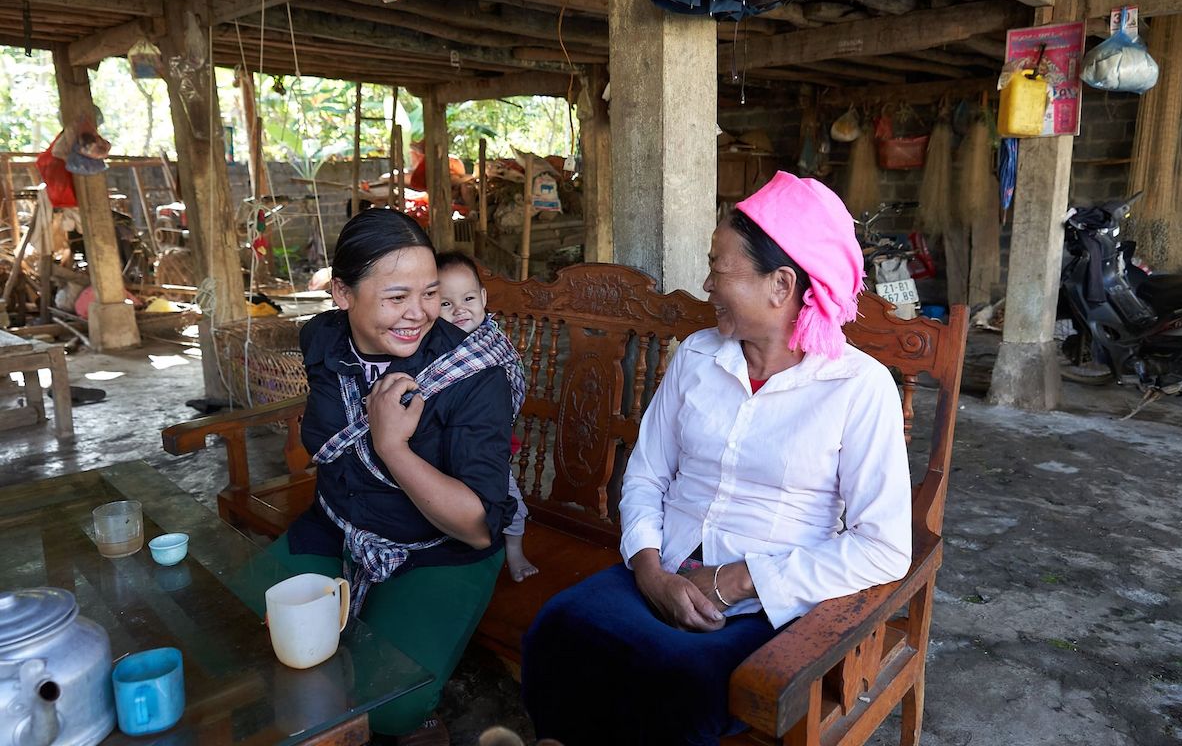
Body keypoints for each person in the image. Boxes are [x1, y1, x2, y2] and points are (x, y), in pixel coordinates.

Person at [521, 172, 913, 745]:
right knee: (558, 630)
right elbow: (647, 474)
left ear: (781, 284)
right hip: (665, 569)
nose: (705, 285)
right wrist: (650, 569)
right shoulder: (698, 357)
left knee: (678, 687)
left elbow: (882, 547)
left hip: (768, 604)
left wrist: (739, 580)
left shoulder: (858, 387)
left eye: (718, 269)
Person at [266, 208, 521, 745]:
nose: (419, 314)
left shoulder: (473, 377)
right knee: (255, 638)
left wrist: (391, 445)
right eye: (396, 296)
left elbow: (477, 527)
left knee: (387, 707)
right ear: (342, 294)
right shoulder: (321, 340)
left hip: (435, 548)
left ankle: (421, 716)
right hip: (335, 523)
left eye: (430, 293)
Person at [436, 251, 539, 582]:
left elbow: (513, 383)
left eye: (468, 298)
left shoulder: (493, 341)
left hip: (487, 443)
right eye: (445, 303)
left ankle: (515, 553)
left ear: (483, 298)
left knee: (509, 501)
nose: (460, 309)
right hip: (443, 442)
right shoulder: (432, 347)